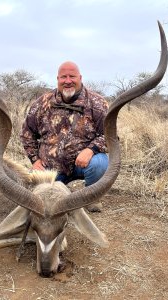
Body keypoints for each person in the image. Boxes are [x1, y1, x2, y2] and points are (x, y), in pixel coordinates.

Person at [20, 61, 109, 212]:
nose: (68, 81)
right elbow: (27, 134)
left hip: (84, 165)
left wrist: (91, 150)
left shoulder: (97, 103)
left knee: (99, 164)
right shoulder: (42, 103)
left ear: (80, 77)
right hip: (51, 168)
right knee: (34, 200)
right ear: (58, 79)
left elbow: (109, 136)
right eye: (63, 77)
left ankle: (90, 197)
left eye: (72, 76)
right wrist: (35, 161)